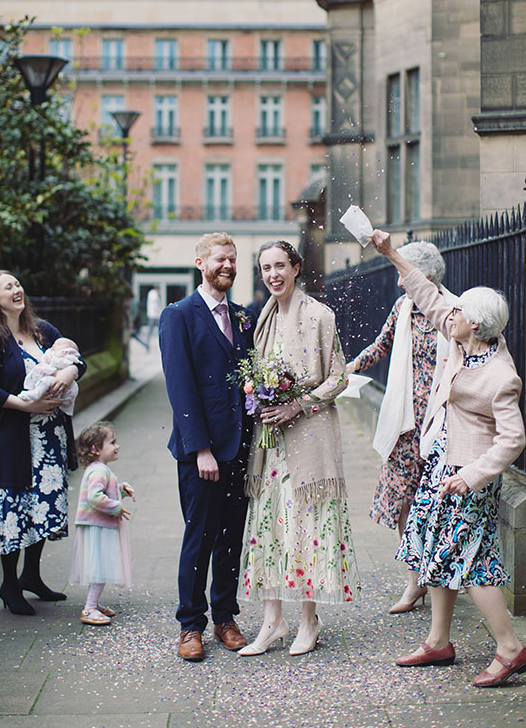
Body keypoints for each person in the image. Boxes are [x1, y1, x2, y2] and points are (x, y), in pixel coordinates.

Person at [371, 229, 526, 687]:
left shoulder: (500, 376)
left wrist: (472, 477)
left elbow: (512, 440)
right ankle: (439, 640)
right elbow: (426, 293)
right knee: (434, 551)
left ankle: (511, 648)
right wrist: (391, 253)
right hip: (441, 464)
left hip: (468, 475)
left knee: (471, 560)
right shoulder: (461, 339)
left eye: (457, 311)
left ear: (474, 324)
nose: (448, 311)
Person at [238, 241, 360, 657]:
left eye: (280, 266)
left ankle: (309, 619)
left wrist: (299, 404)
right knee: (270, 528)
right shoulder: (264, 318)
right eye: (265, 267)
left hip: (308, 437)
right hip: (271, 445)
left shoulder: (319, 315)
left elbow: (339, 377)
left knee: (306, 527)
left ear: (296, 268)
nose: (273, 274)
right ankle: (272, 621)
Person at [159, 232, 255, 661]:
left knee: (232, 536)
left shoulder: (245, 318)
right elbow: (180, 389)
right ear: (200, 262)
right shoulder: (178, 315)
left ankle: (225, 617)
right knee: (199, 537)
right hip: (200, 451)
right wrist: (200, 449)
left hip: (240, 448)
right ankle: (190, 625)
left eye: (232, 260)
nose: (228, 266)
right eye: (220, 259)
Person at [346, 241, 453, 613]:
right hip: (406, 424)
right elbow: (381, 346)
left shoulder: (452, 312)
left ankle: (435, 575)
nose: (397, 282)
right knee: (403, 501)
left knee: (437, 504)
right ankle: (413, 581)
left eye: (403, 272)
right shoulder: (403, 308)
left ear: (423, 276)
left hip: (441, 426)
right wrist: (347, 369)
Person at [0, 270, 86, 615]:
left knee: (40, 506)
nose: (17, 289)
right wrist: (24, 404)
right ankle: (9, 585)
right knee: (14, 509)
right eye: (8, 287)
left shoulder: (43, 331)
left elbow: (76, 358)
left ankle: (32, 576)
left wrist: (70, 371)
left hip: (49, 437)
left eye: (18, 284)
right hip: (13, 438)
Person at [69, 421, 135, 625]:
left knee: (100, 567)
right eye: (112, 442)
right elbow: (95, 497)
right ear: (96, 449)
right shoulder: (99, 471)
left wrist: (121, 490)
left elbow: (104, 491)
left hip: (97, 525)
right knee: (101, 568)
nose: (117, 446)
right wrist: (116, 507)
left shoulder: (99, 469)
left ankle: (93, 603)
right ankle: (89, 608)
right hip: (97, 526)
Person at [18, 337, 81, 415]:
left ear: (66, 351)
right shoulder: (53, 352)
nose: (53, 346)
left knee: (45, 381)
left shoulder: (66, 357)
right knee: (43, 382)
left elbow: (79, 364)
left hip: (55, 382)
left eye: (57, 344)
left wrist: (72, 369)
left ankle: (36, 394)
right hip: (29, 416)